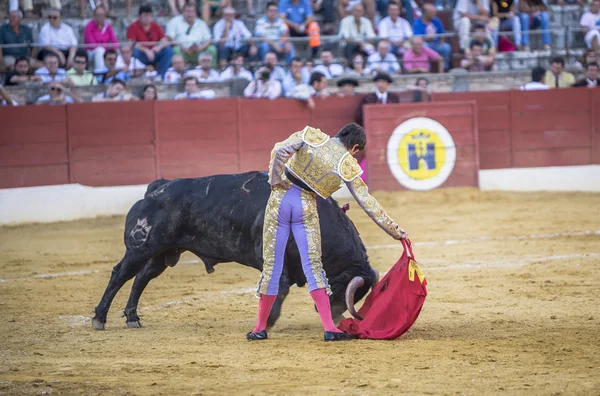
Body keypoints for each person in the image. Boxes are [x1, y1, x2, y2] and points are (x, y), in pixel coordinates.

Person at [246, 123, 407, 342]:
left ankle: (259, 329)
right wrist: (395, 231)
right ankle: (330, 328)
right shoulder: (347, 164)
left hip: (280, 201)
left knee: (272, 265)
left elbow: (279, 149)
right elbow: (367, 202)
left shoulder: (311, 136)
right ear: (355, 147)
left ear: (340, 134)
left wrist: (276, 179)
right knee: (313, 266)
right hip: (306, 207)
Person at [127, 5, 175, 77]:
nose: (147, 18)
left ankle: (161, 76)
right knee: (134, 51)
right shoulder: (133, 27)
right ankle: (139, 74)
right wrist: (146, 50)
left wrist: (158, 47)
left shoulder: (156, 25)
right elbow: (131, 42)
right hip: (142, 55)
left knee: (168, 51)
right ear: (140, 16)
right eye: (145, 15)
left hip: (155, 53)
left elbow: (164, 40)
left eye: (149, 15)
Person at [83, 6, 118, 72]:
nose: (100, 17)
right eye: (98, 15)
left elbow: (114, 41)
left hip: (105, 51)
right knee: (100, 51)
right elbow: (92, 44)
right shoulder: (89, 26)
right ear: (94, 16)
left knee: (115, 52)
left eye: (102, 15)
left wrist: (115, 49)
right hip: (91, 52)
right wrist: (105, 51)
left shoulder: (108, 26)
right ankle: (100, 73)